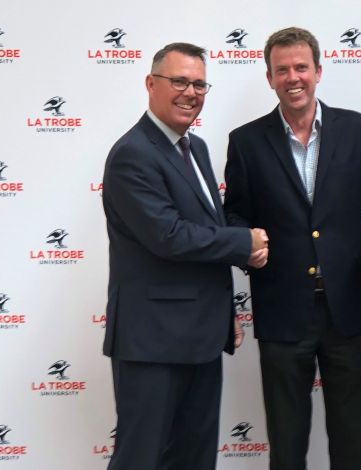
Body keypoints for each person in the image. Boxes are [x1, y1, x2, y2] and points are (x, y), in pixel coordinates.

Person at [224, 27, 361, 470]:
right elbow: (235, 214)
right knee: (286, 444)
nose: (293, 78)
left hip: (349, 309)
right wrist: (245, 244)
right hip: (282, 311)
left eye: (301, 67)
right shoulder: (246, 141)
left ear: (318, 71)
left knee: (351, 441)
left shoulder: (357, 129)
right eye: (282, 70)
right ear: (269, 78)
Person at [101, 42, 268, 470]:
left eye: (199, 84)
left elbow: (206, 228)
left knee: (194, 459)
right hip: (152, 343)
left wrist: (223, 308)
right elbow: (169, 236)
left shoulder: (196, 149)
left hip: (201, 336)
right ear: (151, 83)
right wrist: (243, 244)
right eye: (179, 81)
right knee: (141, 458)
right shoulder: (133, 154)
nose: (190, 92)